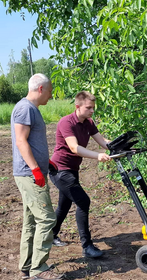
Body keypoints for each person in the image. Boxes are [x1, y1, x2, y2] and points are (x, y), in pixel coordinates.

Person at [11, 73, 63, 280]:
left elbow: (31, 142)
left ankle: (27, 266)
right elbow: (21, 141)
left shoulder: (32, 109)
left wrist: (45, 163)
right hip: (28, 174)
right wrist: (35, 170)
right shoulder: (25, 108)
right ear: (41, 89)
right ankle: (39, 269)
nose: (50, 96)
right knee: (47, 219)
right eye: (50, 91)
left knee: (32, 221)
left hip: (32, 171)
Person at [50, 91, 112, 258]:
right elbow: (74, 148)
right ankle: (87, 246)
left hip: (72, 169)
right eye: (89, 108)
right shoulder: (66, 122)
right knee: (83, 201)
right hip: (59, 169)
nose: (92, 111)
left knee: (64, 205)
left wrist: (121, 146)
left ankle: (50, 235)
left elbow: (103, 141)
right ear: (78, 107)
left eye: (93, 108)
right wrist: (97, 155)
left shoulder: (88, 123)